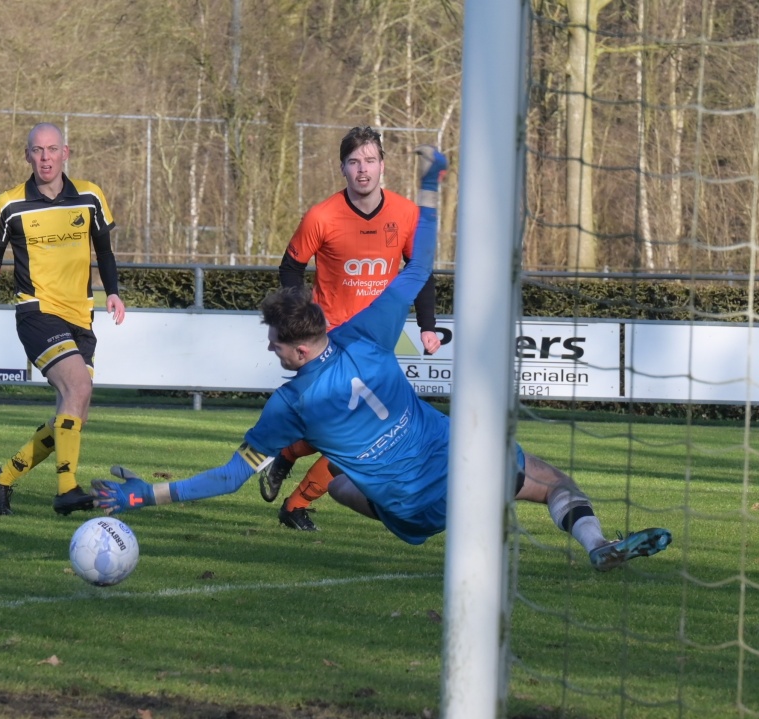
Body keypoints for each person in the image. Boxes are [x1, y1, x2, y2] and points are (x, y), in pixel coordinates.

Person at [90, 152, 672, 570]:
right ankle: (598, 547)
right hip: (461, 466)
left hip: (408, 511)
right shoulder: (364, 333)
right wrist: (429, 190)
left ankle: (431, 510)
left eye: (271, 341)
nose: (268, 348)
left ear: (296, 348)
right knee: (554, 484)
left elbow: (226, 478)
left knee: (343, 483)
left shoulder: (288, 406)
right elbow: (417, 270)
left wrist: (148, 495)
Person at [263, 126, 444, 532]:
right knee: (362, 434)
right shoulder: (321, 216)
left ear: (383, 165)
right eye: (354, 162)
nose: (363, 170)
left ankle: (288, 459)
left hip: (378, 344)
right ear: (342, 168)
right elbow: (290, 266)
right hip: (331, 343)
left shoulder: (406, 213)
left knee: (353, 430)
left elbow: (421, 272)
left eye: (370, 160)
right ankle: (296, 504)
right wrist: (300, 319)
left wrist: (428, 326)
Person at [0, 122, 126, 516]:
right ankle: (66, 490)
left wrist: (112, 291)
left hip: (82, 314)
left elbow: (105, 252)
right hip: (37, 312)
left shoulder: (90, 197)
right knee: (76, 389)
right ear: (27, 156)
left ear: (66, 153)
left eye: (51, 149)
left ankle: (2, 479)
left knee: (75, 409)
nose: (45, 157)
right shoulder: (9, 204)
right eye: (37, 150)